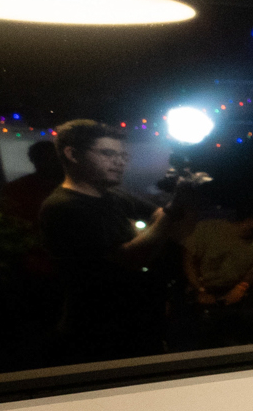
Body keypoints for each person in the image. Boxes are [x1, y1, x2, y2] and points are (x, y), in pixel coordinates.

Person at [37, 119, 187, 364]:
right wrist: (171, 211)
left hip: (135, 324)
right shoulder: (63, 207)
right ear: (72, 154)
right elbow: (131, 258)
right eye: (108, 153)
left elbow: (160, 216)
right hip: (99, 333)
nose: (119, 162)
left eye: (123, 155)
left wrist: (175, 206)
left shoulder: (113, 195)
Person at [182, 208, 253, 345]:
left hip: (234, 293)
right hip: (201, 289)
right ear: (251, 220)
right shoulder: (209, 229)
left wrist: (240, 288)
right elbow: (189, 261)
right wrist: (200, 290)